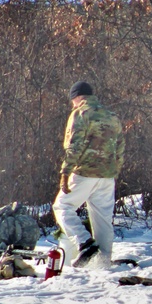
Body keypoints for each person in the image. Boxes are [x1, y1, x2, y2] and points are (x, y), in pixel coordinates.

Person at [52, 81, 125, 267]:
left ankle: (83, 242)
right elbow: (120, 146)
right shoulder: (112, 115)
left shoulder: (80, 113)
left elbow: (74, 146)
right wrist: (114, 170)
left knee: (62, 206)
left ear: (76, 97)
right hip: (107, 175)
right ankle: (103, 263)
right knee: (102, 219)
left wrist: (65, 172)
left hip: (85, 171)